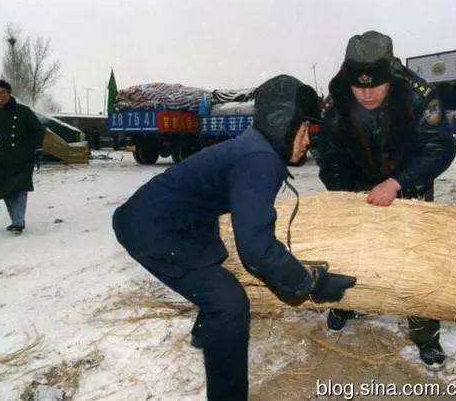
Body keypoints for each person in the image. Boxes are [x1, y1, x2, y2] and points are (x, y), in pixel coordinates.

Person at [112, 74, 357, 401]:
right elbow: (256, 249)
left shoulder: (254, 147)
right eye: (303, 131)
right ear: (282, 124)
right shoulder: (259, 159)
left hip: (172, 222)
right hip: (153, 230)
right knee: (229, 304)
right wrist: (308, 284)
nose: (307, 141)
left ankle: (207, 337)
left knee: (216, 271)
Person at [317, 31, 456, 370]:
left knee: (418, 258)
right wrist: (346, 197)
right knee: (352, 249)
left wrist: (397, 183)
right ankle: (347, 303)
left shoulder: (419, 95)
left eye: (375, 85)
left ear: (390, 76)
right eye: (359, 85)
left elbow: (440, 148)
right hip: (358, 186)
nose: (366, 93)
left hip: (409, 182)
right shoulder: (337, 99)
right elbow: (330, 157)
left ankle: (425, 335)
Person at [0, 80, 45, 234]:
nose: (0, 96)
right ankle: (15, 220)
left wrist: (33, 148)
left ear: (9, 93)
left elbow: (37, 130)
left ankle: (18, 221)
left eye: (3, 92)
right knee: (6, 191)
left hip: (21, 157)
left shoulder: (23, 111)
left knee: (20, 189)